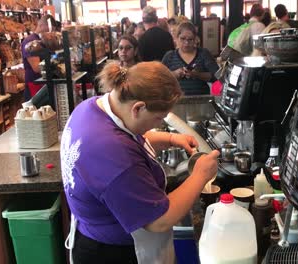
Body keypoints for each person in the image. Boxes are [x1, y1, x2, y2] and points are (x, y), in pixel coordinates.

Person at [61, 61, 220, 263]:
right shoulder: (114, 154)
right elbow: (159, 221)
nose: (160, 124)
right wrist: (201, 175)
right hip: (113, 254)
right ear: (138, 108)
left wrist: (170, 139)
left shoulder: (91, 108)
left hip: (91, 233)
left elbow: (128, 138)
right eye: (158, 118)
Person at [162, 22, 219, 95]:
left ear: (195, 39)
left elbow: (217, 77)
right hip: (176, 101)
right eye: (182, 39)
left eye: (190, 39)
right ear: (176, 38)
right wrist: (174, 74)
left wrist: (197, 74)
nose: (186, 43)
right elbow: (160, 79)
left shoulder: (203, 54)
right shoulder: (169, 56)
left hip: (201, 100)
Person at [21, 14, 59, 101]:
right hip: (35, 84)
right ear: (41, 25)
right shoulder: (30, 42)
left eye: (52, 30)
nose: (50, 32)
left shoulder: (44, 40)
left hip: (45, 83)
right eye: (49, 29)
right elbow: (37, 68)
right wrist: (55, 66)